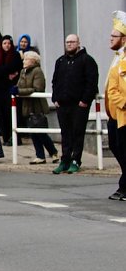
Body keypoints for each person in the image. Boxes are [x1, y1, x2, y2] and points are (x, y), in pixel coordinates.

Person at [51, 34, 99, 174]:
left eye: (72, 42)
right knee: (65, 133)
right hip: (62, 104)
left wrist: (84, 100)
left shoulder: (87, 60)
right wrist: (56, 98)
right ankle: (64, 160)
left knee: (77, 133)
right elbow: (55, 81)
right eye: (67, 42)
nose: (69, 44)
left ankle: (75, 160)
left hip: (79, 105)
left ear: (78, 43)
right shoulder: (60, 61)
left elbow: (91, 82)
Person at [17, 51, 59, 165]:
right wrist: (17, 89)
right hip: (27, 105)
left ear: (33, 61)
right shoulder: (23, 71)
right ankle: (41, 155)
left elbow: (37, 88)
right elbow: (20, 85)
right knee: (33, 132)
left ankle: (52, 152)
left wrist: (19, 91)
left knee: (40, 132)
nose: (24, 61)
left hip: (37, 106)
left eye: (26, 59)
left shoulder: (37, 71)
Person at [105, 11, 126, 200]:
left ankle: (124, 186)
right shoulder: (117, 57)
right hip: (114, 113)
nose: (110, 39)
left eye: (114, 36)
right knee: (116, 146)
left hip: (123, 112)